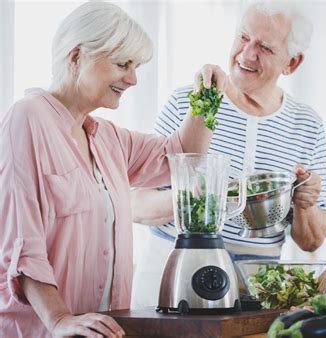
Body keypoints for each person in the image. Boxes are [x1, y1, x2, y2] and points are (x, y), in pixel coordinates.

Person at [0, 2, 213, 337]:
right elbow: (22, 241)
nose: (132, 79)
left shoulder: (108, 138)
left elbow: (183, 156)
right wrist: (59, 319)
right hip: (41, 331)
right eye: (122, 64)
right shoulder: (27, 119)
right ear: (76, 57)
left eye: (136, 66)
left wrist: (207, 97)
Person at [130, 1, 326, 308]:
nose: (247, 54)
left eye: (264, 47)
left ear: (292, 63)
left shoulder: (308, 126)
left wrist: (305, 205)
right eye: (243, 37)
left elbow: (312, 241)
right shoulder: (192, 102)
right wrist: (194, 198)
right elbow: (135, 202)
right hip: (171, 277)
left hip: (257, 288)